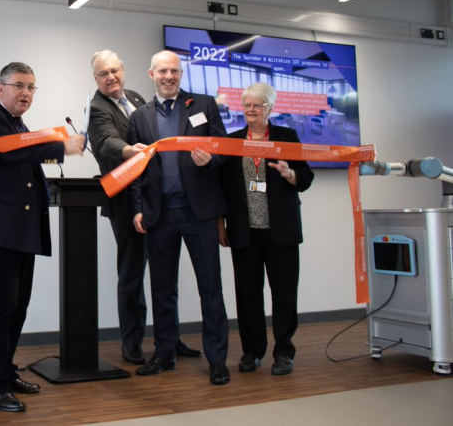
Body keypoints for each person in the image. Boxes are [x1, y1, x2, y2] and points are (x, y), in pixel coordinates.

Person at [0, 62, 85, 412]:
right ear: (0, 89)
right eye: (19, 86)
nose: (26, 93)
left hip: (18, 235)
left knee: (15, 310)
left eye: (31, 87)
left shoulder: (20, 124)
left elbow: (23, 155)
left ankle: (4, 371)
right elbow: (10, 150)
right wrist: (60, 147)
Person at [87, 49, 201, 365]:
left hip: (156, 200)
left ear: (123, 70)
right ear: (95, 79)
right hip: (126, 202)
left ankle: (170, 339)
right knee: (133, 274)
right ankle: (132, 342)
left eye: (114, 70)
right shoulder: (96, 107)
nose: (111, 77)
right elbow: (106, 141)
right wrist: (129, 150)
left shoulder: (137, 97)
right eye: (103, 74)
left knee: (165, 276)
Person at [128, 50, 231, 385]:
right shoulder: (140, 116)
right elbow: (134, 169)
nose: (168, 76)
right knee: (162, 289)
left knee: (210, 287)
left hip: (199, 212)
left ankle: (217, 359)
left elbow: (223, 152)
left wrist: (210, 161)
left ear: (180, 73)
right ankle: (164, 354)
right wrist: (138, 208)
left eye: (173, 71)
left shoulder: (203, 105)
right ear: (151, 74)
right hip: (159, 215)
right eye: (162, 71)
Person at [218, 82, 314, 376]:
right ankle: (252, 351)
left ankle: (284, 352)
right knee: (248, 293)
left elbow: (306, 177)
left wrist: (290, 174)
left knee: (284, 292)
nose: (250, 109)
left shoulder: (287, 137)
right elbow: (222, 186)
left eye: (256, 105)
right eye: (246, 104)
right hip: (244, 230)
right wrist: (220, 223)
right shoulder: (233, 141)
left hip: (280, 230)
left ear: (269, 109)